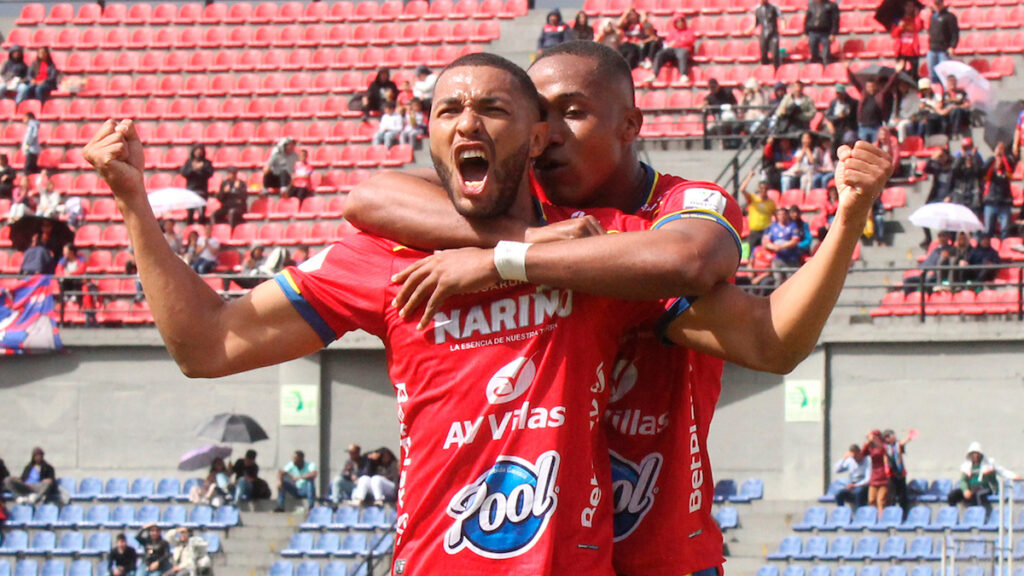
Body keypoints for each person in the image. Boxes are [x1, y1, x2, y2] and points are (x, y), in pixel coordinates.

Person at [86, 48, 892, 575]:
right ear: (428, 134)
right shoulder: (397, 251)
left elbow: (758, 327)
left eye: (499, 110)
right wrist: (134, 209)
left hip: (651, 555)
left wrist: (849, 218)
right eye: (447, 111)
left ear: (533, 130)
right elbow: (209, 343)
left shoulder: (612, 251)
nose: (470, 123)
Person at [343, 43, 891, 576]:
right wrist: (527, 238)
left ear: (630, 124)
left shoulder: (679, 205)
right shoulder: (516, 204)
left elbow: (729, 299)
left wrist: (846, 220)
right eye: (540, 116)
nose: (550, 134)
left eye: (573, 113)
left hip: (663, 547)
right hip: (544, 547)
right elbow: (369, 197)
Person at [948, 442, 1021, 514]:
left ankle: (977, 515)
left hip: (985, 487)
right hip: (971, 488)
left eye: (977, 453)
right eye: (973, 454)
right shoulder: (966, 466)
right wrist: (965, 490)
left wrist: (1014, 476)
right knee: (952, 495)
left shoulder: (989, 463)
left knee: (977, 495)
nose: (975, 455)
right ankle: (952, 514)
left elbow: (1002, 471)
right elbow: (963, 480)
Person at [847, 70, 900, 144]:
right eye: (868, 86)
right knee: (863, 146)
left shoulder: (879, 95)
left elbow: (889, 85)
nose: (870, 88)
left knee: (875, 147)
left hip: (876, 126)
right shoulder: (864, 94)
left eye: (872, 86)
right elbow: (854, 82)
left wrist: (896, 73)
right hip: (863, 126)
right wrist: (848, 70)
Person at [981, 141, 1015, 240]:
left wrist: (1003, 158)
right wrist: (994, 158)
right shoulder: (990, 164)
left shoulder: (1008, 163)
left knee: (1005, 231)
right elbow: (984, 171)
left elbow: (1010, 172)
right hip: (991, 201)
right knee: (988, 231)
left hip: (1005, 202)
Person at [762, 207, 805, 285]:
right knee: (777, 282)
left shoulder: (793, 226)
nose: (782, 216)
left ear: (787, 215)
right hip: (778, 259)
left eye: (784, 214)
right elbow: (766, 243)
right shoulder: (773, 227)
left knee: (791, 283)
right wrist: (774, 247)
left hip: (791, 259)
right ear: (777, 216)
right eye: (779, 214)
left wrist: (781, 247)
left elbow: (795, 241)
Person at [651, 15, 696, 83]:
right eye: (678, 21)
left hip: (684, 49)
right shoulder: (672, 32)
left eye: (681, 21)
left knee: (682, 54)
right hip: (672, 50)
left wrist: (677, 43)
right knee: (660, 54)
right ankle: (654, 74)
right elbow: (669, 42)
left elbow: (690, 41)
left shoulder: (689, 31)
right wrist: (681, 41)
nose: (680, 23)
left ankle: (684, 75)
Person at [740, 170, 777, 250]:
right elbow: (742, 189)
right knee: (751, 253)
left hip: (766, 232)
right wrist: (749, 177)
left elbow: (776, 216)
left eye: (765, 188)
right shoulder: (753, 198)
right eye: (762, 188)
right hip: (754, 231)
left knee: (764, 252)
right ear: (758, 189)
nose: (763, 190)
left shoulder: (771, 202)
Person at [179, 145, 214, 225]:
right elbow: (184, 173)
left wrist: (200, 169)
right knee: (190, 212)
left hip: (202, 190)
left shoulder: (206, 163)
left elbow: (209, 174)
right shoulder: (189, 162)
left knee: (202, 213)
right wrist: (193, 169)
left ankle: (201, 227)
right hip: (191, 190)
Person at [927, 0, 959, 84]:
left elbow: (954, 33)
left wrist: (952, 46)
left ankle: (945, 93)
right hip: (932, 49)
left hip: (943, 50)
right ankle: (936, 93)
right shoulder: (932, 17)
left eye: (938, 4)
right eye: (935, 4)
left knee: (944, 75)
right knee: (933, 76)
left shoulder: (949, 17)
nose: (937, 6)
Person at [882, 429, 912, 514]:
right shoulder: (884, 447)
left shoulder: (897, 445)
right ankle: (892, 513)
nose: (894, 436)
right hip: (891, 474)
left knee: (903, 495)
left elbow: (902, 443)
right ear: (887, 439)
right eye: (892, 435)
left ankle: (904, 513)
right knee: (892, 495)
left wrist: (909, 438)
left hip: (900, 473)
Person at [860, 430, 890, 516]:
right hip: (874, 476)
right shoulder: (870, 447)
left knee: (881, 500)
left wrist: (874, 441)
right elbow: (862, 454)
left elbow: (884, 451)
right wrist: (868, 442)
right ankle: (872, 518)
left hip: (883, 476)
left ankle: (881, 519)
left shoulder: (883, 446)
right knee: (871, 499)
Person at [892, 3, 924, 80]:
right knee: (900, 74)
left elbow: (919, 27)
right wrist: (900, 27)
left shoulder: (915, 19)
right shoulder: (898, 21)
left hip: (913, 51)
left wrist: (917, 16)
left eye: (911, 6)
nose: (909, 8)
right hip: (901, 52)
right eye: (907, 6)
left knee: (914, 75)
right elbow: (894, 34)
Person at [748, 0, 783, 69]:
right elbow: (756, 23)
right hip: (763, 34)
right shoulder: (758, 10)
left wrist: (783, 26)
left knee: (775, 53)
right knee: (763, 54)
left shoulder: (773, 7)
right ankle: (765, 69)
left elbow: (781, 17)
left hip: (773, 33)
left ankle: (777, 68)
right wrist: (748, 30)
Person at [834, 444, 870, 509]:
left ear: (860, 453)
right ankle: (842, 513)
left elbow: (867, 479)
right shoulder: (850, 460)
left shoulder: (867, 460)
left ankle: (859, 513)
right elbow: (836, 470)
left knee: (858, 493)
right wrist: (843, 459)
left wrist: (855, 485)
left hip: (864, 485)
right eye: (853, 457)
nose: (855, 459)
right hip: (853, 484)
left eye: (856, 456)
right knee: (839, 494)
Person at [804, 0, 839, 65]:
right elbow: (807, 19)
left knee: (826, 54)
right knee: (813, 53)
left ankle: (827, 68)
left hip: (825, 32)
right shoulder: (812, 5)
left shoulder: (832, 5)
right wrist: (805, 32)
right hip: (813, 32)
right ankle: (815, 68)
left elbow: (835, 20)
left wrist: (833, 33)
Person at [951, 137, 983, 208]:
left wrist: (974, 157)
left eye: (969, 147)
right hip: (961, 190)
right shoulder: (958, 155)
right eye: (965, 147)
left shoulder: (977, 156)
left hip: (973, 190)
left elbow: (979, 172)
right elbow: (954, 170)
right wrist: (962, 156)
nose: (967, 149)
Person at [824, 85, 858, 150]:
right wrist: (836, 118)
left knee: (848, 139)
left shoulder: (852, 103)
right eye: (838, 93)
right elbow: (828, 116)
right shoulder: (833, 103)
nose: (839, 95)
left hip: (847, 127)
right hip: (836, 127)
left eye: (841, 93)